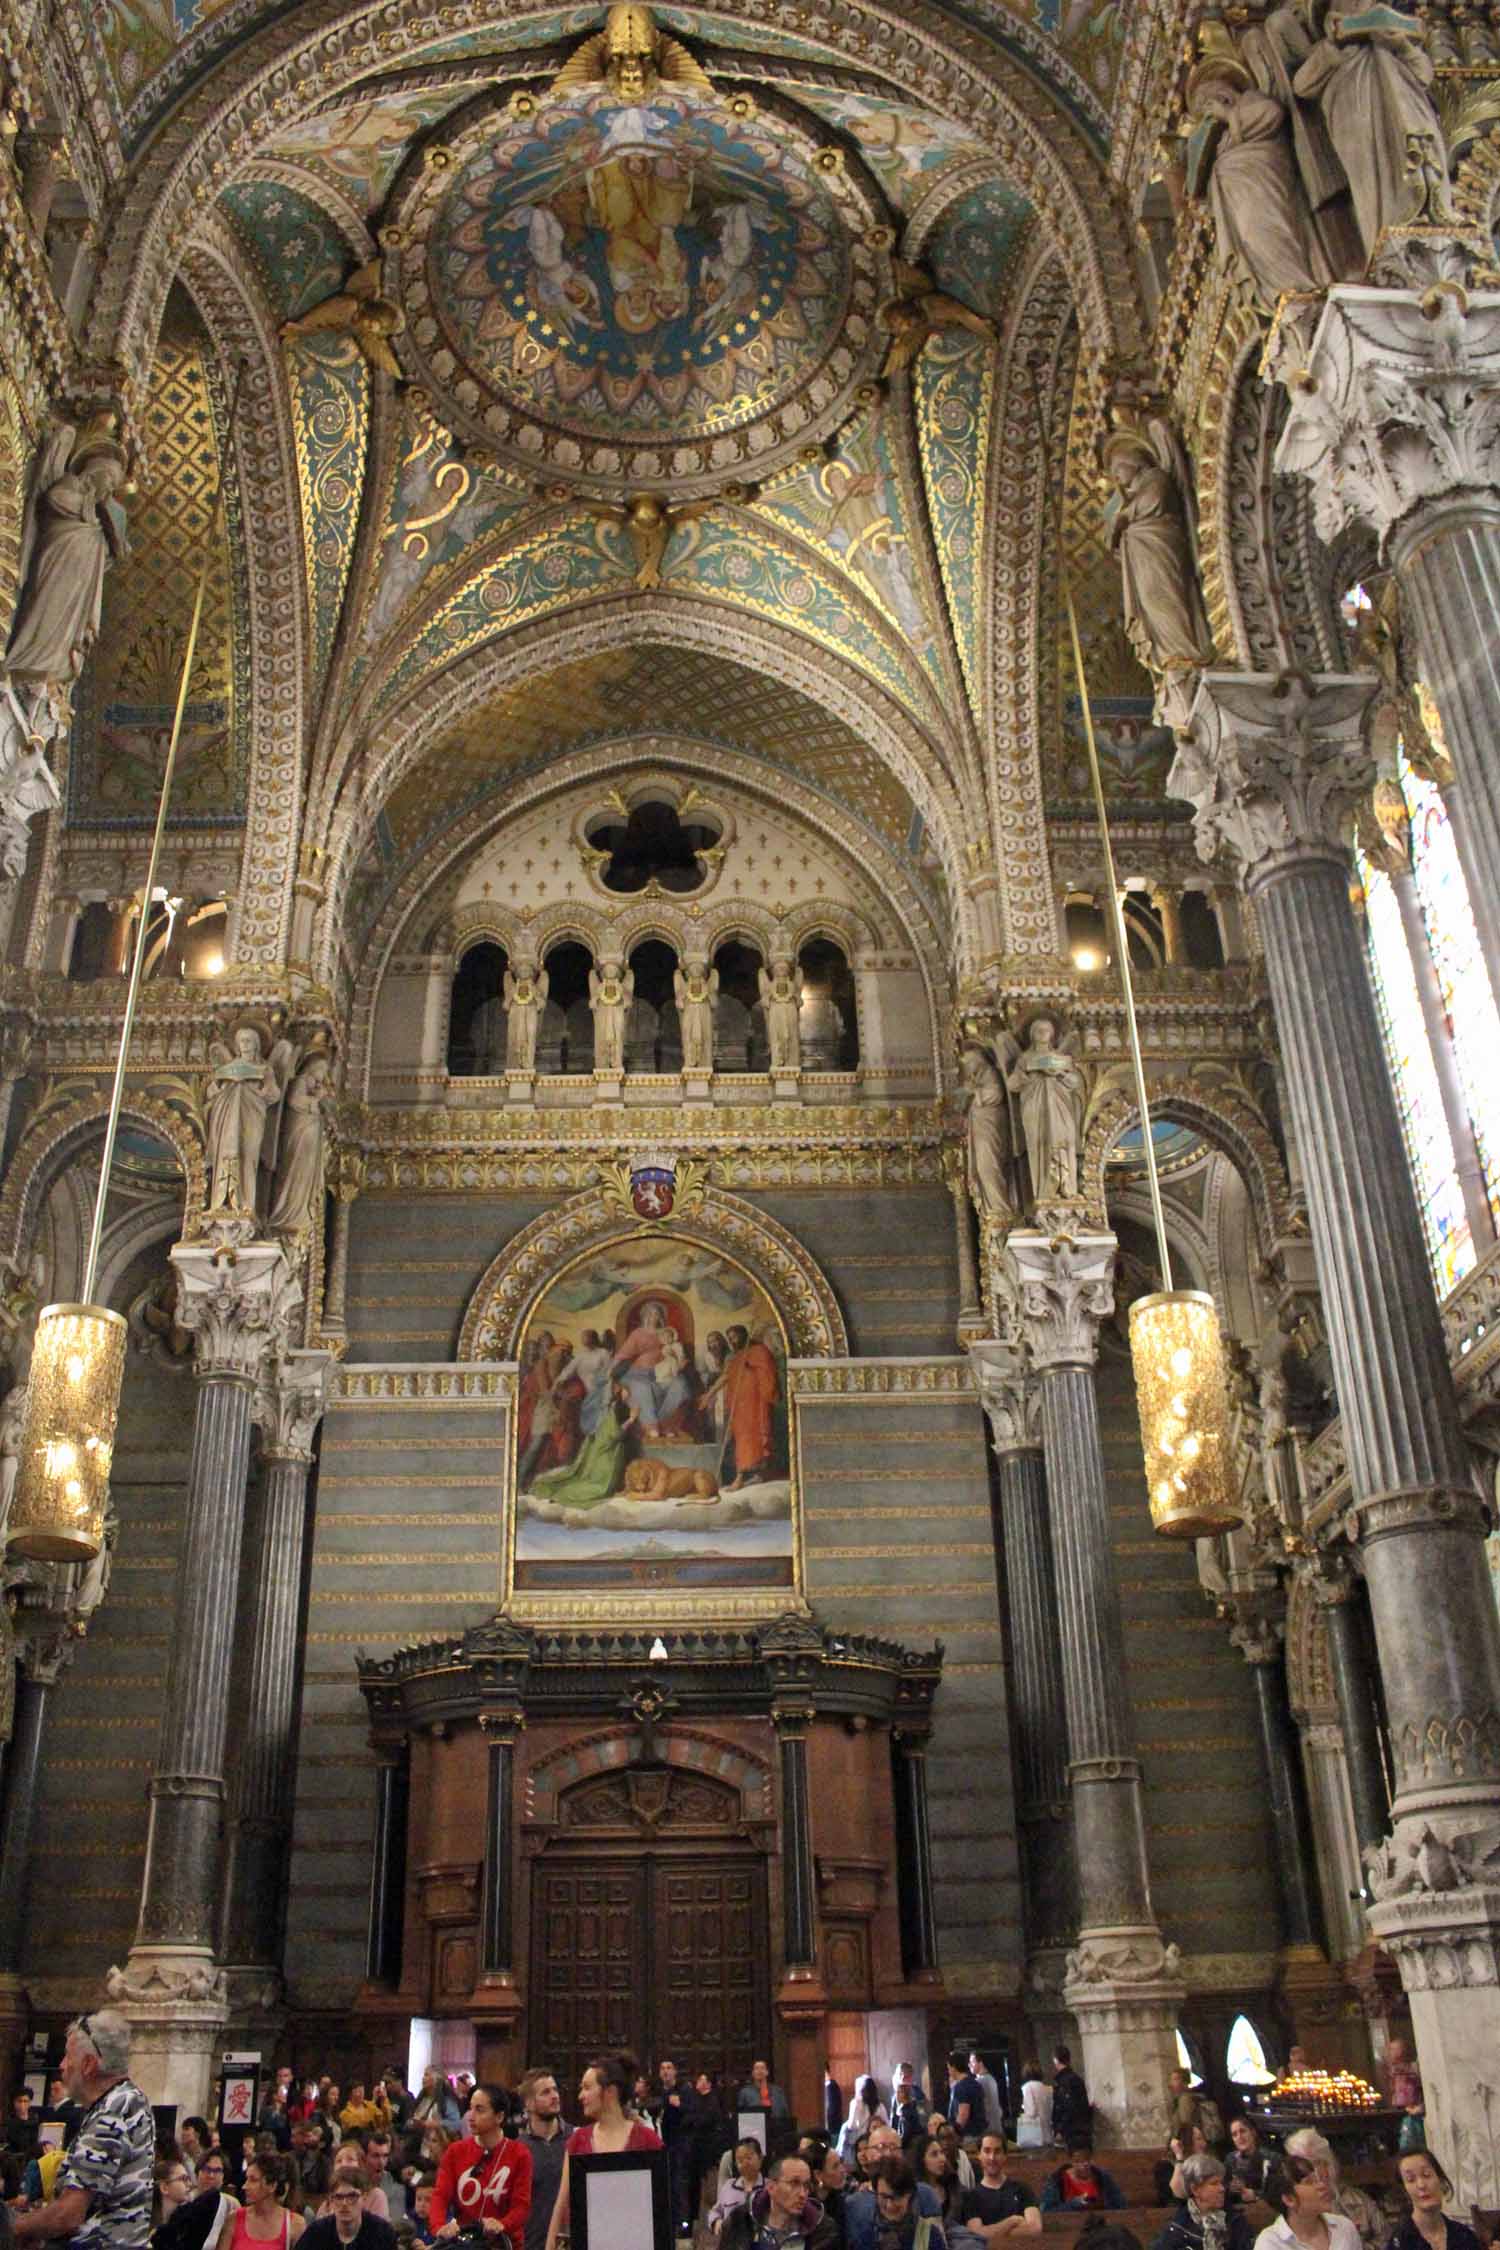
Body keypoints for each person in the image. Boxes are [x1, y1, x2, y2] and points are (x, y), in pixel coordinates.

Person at [12, 2011, 154, 2250]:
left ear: (88, 2064)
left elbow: (69, 2214)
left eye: (68, 2057)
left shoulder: (112, 2112)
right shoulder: (129, 2099)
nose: (62, 2066)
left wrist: (14, 2227)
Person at [544, 2054, 661, 2250]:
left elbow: (659, 2208)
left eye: (587, 2088)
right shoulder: (577, 2141)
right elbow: (562, 2203)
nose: (580, 2095)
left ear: (610, 2092)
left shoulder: (648, 2140)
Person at [429, 2084, 530, 2250]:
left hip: (504, 2245)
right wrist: (440, 2227)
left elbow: (521, 2206)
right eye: (470, 2108)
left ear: (499, 2117)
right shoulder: (456, 2151)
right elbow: (440, 2196)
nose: (470, 2116)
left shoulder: (519, 2154)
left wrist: (502, 2224)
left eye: (480, 2110)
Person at [1282, 2132, 1383, 2250]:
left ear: (1329, 2165)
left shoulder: (1357, 2201)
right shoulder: (1278, 2232)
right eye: (1303, 2170)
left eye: (1317, 2163)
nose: (1314, 2174)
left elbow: (1386, 2237)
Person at [720, 2152, 837, 2250]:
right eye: (794, 2183)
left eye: (806, 2186)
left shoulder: (823, 2231)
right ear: (771, 2187)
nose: (802, 2194)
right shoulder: (740, 2221)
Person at [1254, 2157, 1362, 2250]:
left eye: (1318, 2179)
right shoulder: (1270, 2243)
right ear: (1289, 2199)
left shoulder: (1344, 2227)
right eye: (1309, 2182)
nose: (1322, 2186)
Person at [1383, 2149, 1481, 2250]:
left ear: (1441, 2180)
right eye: (1411, 2179)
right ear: (1404, 2191)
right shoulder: (1399, 2243)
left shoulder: (1464, 2236)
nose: (1421, 2185)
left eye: (1426, 2175)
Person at [516, 2071, 569, 2250]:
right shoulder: (517, 2149)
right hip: (532, 2243)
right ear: (529, 2103)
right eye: (545, 2092)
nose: (554, 2096)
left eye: (555, 2090)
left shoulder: (576, 2139)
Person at [1154, 2157, 1255, 2250]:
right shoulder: (1178, 2228)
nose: (1222, 2189)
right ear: (1195, 2189)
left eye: (1221, 2183)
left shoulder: (1235, 2220)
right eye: (1214, 2183)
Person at [959, 2133, 1040, 2246]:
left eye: (997, 2151)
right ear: (979, 2155)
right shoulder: (971, 2196)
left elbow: (1034, 2229)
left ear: (1005, 2155)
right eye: (987, 2151)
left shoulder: (1022, 2189)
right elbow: (977, 2234)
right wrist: (1012, 2221)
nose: (992, 2157)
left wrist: (991, 2232)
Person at [298, 2168, 397, 2250]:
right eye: (339, 2197)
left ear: (364, 2197)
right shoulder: (316, 2233)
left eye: (352, 2196)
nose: (344, 2203)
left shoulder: (382, 2233)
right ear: (331, 2199)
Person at [227, 2156, 305, 2250]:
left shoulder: (295, 2224)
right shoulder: (234, 2219)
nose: (244, 2186)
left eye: (253, 2180)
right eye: (246, 2179)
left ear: (272, 2186)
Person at [868, 2160, 947, 2250]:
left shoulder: (929, 2235)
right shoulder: (866, 2232)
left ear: (910, 2195)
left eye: (896, 2197)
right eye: (883, 2196)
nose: (889, 2205)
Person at [1041, 2148, 1126, 2213]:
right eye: (1078, 2162)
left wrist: (1099, 2206)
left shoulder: (1102, 2177)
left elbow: (1120, 2205)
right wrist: (1073, 2204)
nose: (1084, 2165)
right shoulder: (1057, 2180)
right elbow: (1047, 2212)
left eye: (1087, 2160)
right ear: (1071, 2162)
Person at [710, 2140, 765, 2235]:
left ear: (760, 2158)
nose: (745, 2163)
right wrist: (716, 2222)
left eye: (749, 2158)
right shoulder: (729, 2186)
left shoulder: (770, 2187)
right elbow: (716, 2211)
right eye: (740, 2160)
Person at [1383, 2044, 1425, 2155]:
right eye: (1390, 2049)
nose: (1390, 2052)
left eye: (1394, 2048)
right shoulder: (1392, 2070)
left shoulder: (1414, 2067)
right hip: (1399, 2109)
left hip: (1415, 2110)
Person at [916, 2138, 964, 2229]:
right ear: (922, 2160)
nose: (942, 2159)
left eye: (942, 2153)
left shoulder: (952, 2186)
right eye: (934, 2154)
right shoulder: (915, 2193)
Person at [838, 2079, 888, 2164]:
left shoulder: (856, 2103)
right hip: (876, 2140)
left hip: (859, 2141)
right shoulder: (880, 2106)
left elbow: (852, 2125)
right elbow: (886, 2124)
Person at [1051, 2048, 1090, 2151]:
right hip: (1080, 2126)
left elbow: (1068, 2107)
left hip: (1071, 2130)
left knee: (1074, 2158)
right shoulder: (1076, 2078)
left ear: (1056, 2060)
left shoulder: (1065, 2081)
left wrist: (1060, 2129)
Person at [1225, 2121, 1272, 2204]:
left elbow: (1279, 2192)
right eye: (1234, 2134)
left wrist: (1256, 2195)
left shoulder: (1271, 2158)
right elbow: (1223, 2187)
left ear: (1253, 2133)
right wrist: (1230, 2188)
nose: (1239, 2137)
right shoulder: (1230, 2159)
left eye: (1242, 2131)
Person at [363, 2134, 405, 2226]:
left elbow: (396, 2225)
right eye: (375, 2156)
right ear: (364, 2157)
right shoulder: (354, 2184)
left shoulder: (397, 2191)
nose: (381, 2162)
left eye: (385, 2156)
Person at [944, 2055, 984, 2144]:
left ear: (953, 2067)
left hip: (967, 2136)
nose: (948, 2071)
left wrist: (953, 2135)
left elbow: (963, 2115)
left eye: (948, 2068)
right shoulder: (976, 2083)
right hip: (979, 2133)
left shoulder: (960, 2087)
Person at [1016, 2065, 1052, 2152]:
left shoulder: (1027, 2087)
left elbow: (1031, 2112)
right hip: (1048, 2131)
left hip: (1034, 2133)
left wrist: (1023, 2106)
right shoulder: (1048, 2088)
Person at [969, 2056, 1004, 2141]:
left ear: (980, 2063)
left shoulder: (979, 2082)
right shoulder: (991, 2079)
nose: (969, 2065)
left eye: (972, 2062)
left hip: (986, 2130)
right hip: (996, 2127)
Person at [891, 2067, 928, 2142]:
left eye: (906, 2076)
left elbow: (923, 2115)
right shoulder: (895, 2099)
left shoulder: (917, 2093)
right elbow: (894, 2118)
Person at [824, 2069, 845, 2145]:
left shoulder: (831, 2086)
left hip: (832, 2126)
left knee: (831, 2147)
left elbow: (832, 2108)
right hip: (831, 2126)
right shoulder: (829, 2086)